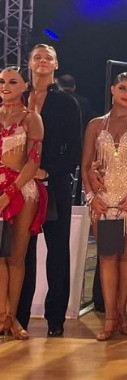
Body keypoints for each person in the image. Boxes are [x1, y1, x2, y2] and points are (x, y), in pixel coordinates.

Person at [82, 73, 127, 340]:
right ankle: (110, 317)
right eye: (123, 88)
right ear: (112, 89)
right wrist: (91, 196)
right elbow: (86, 164)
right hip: (102, 200)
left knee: (126, 254)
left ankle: (121, 313)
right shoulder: (95, 124)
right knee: (107, 256)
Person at [18, 43, 82, 337]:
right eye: (37, 57)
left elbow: (75, 150)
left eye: (48, 58)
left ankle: (56, 319)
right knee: (22, 251)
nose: (42, 61)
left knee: (57, 252)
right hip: (19, 185)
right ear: (29, 63)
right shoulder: (17, 98)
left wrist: (47, 171)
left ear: (56, 65)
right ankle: (18, 315)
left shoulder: (67, 103)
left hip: (54, 184)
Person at [0, 67, 46, 340]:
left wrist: (10, 192)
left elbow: (33, 162)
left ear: (24, 86)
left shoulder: (32, 118)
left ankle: (12, 316)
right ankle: (2, 315)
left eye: (12, 81)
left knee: (16, 257)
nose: (5, 86)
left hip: (22, 190)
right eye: (2, 81)